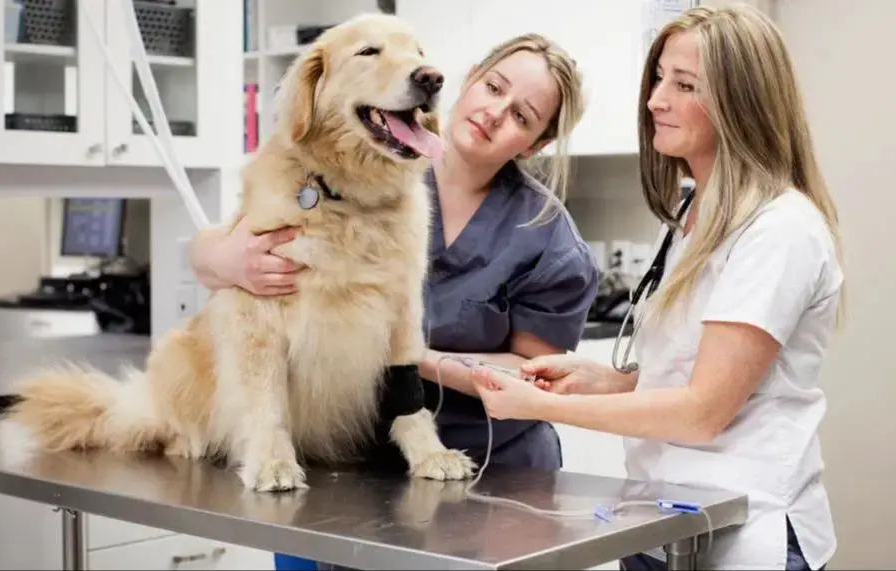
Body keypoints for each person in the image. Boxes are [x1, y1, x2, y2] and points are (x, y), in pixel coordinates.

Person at [189, 33, 600, 570]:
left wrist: (403, 357)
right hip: (350, 464)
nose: (495, 113)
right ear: (468, 76)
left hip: (490, 477)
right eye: (493, 87)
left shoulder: (548, 237)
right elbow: (225, 255)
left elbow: (536, 374)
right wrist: (221, 260)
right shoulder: (362, 157)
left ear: (533, 145)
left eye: (522, 116)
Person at [468, 5, 843, 571]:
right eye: (660, 77)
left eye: (684, 84)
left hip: (743, 532)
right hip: (661, 521)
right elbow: (700, 371)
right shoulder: (696, 209)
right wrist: (607, 382)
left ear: (741, 102)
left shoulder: (778, 229)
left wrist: (540, 406)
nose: (655, 100)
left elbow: (702, 412)